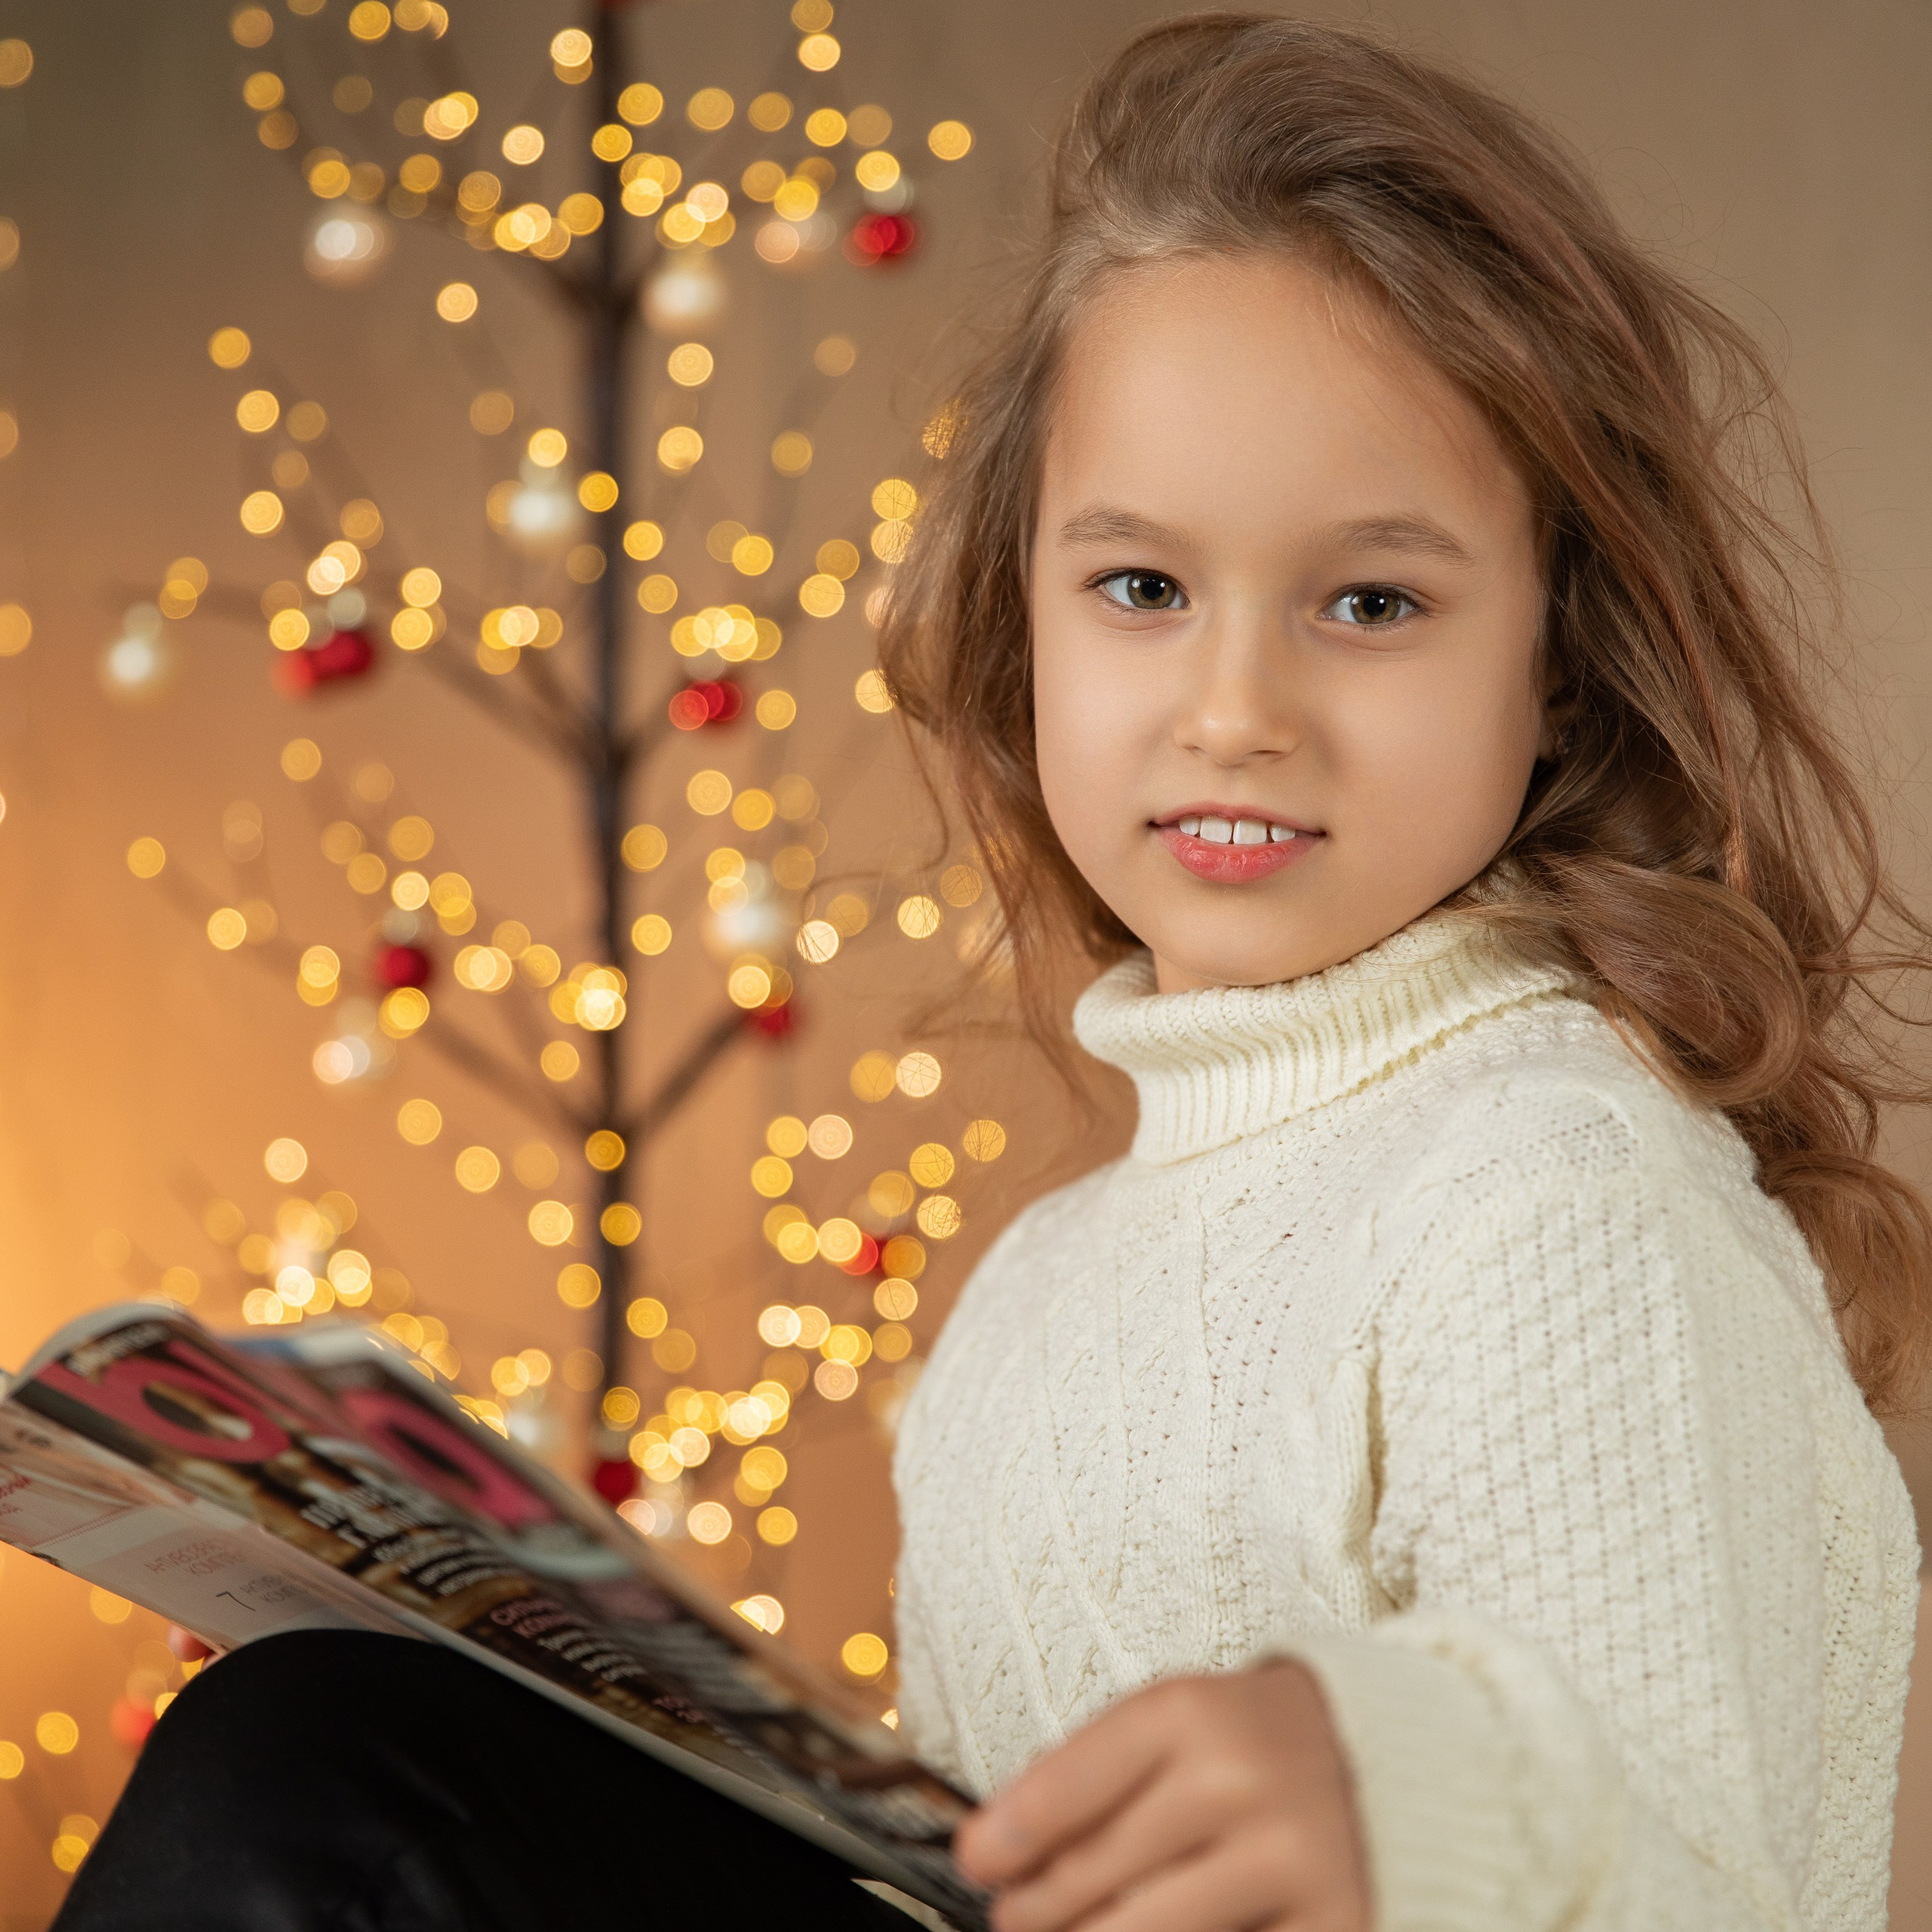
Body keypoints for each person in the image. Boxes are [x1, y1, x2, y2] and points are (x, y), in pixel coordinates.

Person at [60, 14, 1924, 1930]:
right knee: (328, 1726)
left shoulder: (1559, 1188)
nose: (1234, 707)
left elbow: (1696, 1857)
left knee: (324, 1764)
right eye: (1141, 588)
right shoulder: (1034, 1287)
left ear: (1556, 669)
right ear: (1020, 615)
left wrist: (1416, 1812)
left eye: (1371, 601)